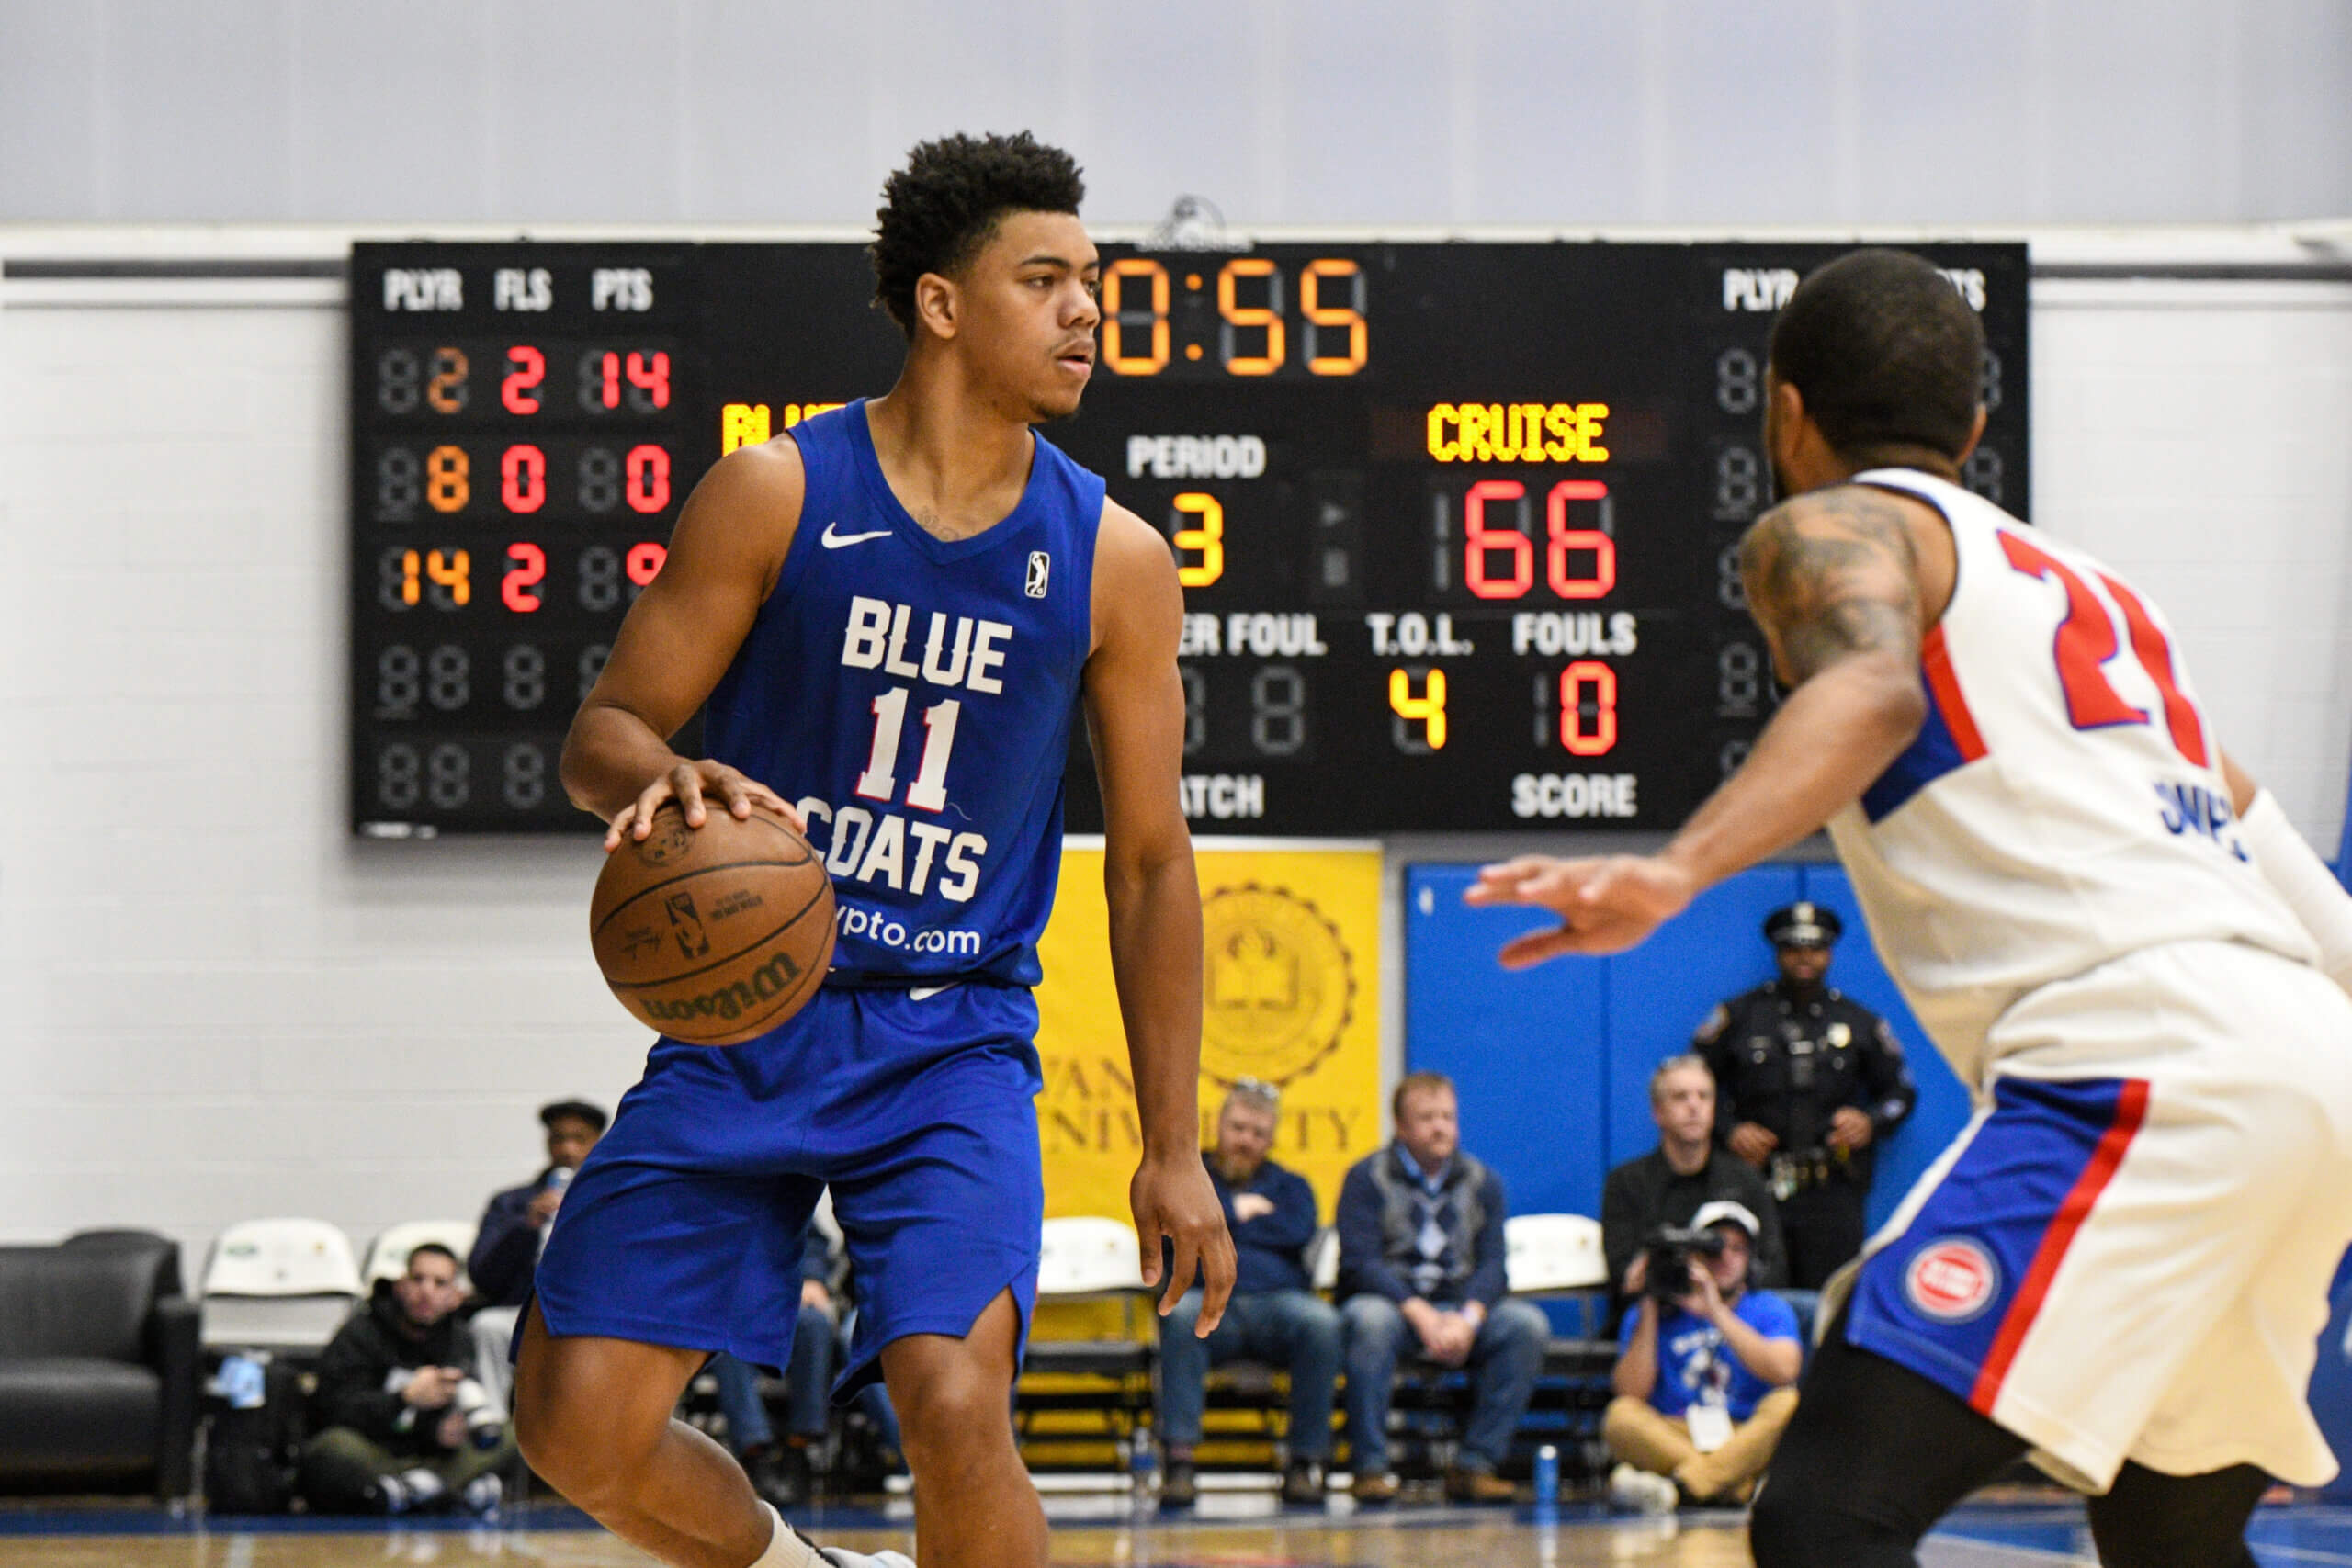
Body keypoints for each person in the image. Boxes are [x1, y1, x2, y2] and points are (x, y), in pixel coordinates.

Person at [1468, 247, 2352, 1568]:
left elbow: (1875, 691)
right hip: (2306, 1064)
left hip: (2143, 1059)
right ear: (1977, 427)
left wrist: (1676, 869)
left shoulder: (1838, 527)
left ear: (1784, 409)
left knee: (1830, 1513)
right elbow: (2263, 834)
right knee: (2172, 1525)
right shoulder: (2107, 601)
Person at [521, 131, 1236, 1568]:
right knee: (572, 1423)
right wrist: (669, 772)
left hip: (950, 1035)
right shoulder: (777, 491)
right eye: (1046, 279)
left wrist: (1175, 1144)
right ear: (941, 303)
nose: (1088, 309)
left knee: (957, 1396)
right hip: (750, 1015)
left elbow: (1152, 863)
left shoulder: (1114, 558)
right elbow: (602, 732)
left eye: (1092, 280)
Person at [1334, 1072, 1549, 1505]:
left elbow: (1493, 1265)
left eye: (1448, 1117)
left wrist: (1469, 1319)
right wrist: (1419, 1312)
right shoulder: (1366, 1178)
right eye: (1427, 1118)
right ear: (1402, 1126)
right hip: (1394, 1304)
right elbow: (1361, 1263)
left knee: (1526, 1325)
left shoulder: (1483, 1181)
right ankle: (1370, 1467)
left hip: (1458, 1307)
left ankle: (1476, 1464)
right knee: (1367, 1320)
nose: (1441, 1128)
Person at [1693, 902, 1916, 1289]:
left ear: (1828, 953)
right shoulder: (1740, 1016)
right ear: (1779, 953)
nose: (1804, 958)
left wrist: (1870, 1121)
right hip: (1755, 1183)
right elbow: (1693, 1084)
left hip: (1832, 1190)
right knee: (1756, 1295)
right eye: (1794, 948)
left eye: (1814, 948)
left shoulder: (1858, 1021)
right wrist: (1729, 1131)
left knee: (1831, 1298)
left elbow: (1901, 1092)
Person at [1155, 1079, 1340, 1509]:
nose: (1245, 1141)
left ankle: (1304, 1463)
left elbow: (1297, 1232)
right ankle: (1179, 1464)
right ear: (1218, 1126)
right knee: (1179, 1319)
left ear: (1271, 1139)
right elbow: (1170, 1234)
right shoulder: (1189, 1179)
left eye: (1257, 1134)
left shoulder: (1292, 1187)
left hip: (1280, 1304)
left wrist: (1216, 1222)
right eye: (1238, 1128)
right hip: (1205, 1301)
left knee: (1322, 1323)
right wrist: (1241, 1211)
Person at [1603, 1201, 1801, 1513]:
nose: (1726, 1258)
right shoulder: (1654, 1311)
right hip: (1677, 1431)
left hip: (1743, 1433)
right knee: (1620, 1416)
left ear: (1751, 1260)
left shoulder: (1769, 1308)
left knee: (1788, 1404)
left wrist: (1716, 1312)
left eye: (1738, 1249)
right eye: (1715, 1249)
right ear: (1692, 1255)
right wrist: (1650, 1304)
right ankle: (1733, 1485)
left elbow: (1784, 1372)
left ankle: (1683, 1487)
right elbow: (1631, 1392)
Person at [301, 1244, 517, 1516]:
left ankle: (411, 1492)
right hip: (375, 1451)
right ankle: (449, 1492)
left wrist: (445, 1430)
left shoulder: (459, 1339)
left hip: (432, 1456)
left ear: (455, 1296)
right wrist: (404, 1399)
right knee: (332, 1447)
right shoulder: (361, 1331)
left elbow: (460, 1414)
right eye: (418, 1279)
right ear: (400, 1286)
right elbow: (330, 1409)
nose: (427, 1291)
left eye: (440, 1283)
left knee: (509, 1435)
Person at [1600, 1056, 1786, 1313]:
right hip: (1660, 1312)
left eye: (1703, 1096)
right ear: (1658, 1112)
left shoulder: (1746, 1179)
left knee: (1805, 1308)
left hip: (1735, 1312)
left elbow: (1773, 1264)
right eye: (1680, 1097)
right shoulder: (1626, 1183)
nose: (1694, 1106)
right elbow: (1624, 1273)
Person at [467, 1099, 606, 1407]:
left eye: (579, 1138)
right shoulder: (512, 1203)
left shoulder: (612, 1200)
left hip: (594, 1314)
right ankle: (493, 1426)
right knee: (487, 1326)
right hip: (525, 1311)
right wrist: (526, 1226)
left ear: (597, 1142)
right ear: (547, 1142)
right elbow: (482, 1275)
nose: (568, 1149)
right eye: (559, 1138)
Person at [705, 1223, 839, 1509]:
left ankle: (800, 1446)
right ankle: (756, 1452)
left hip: (780, 1301)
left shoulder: (786, 1178)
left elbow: (813, 1241)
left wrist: (814, 1279)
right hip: (724, 1305)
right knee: (726, 1340)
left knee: (814, 1324)